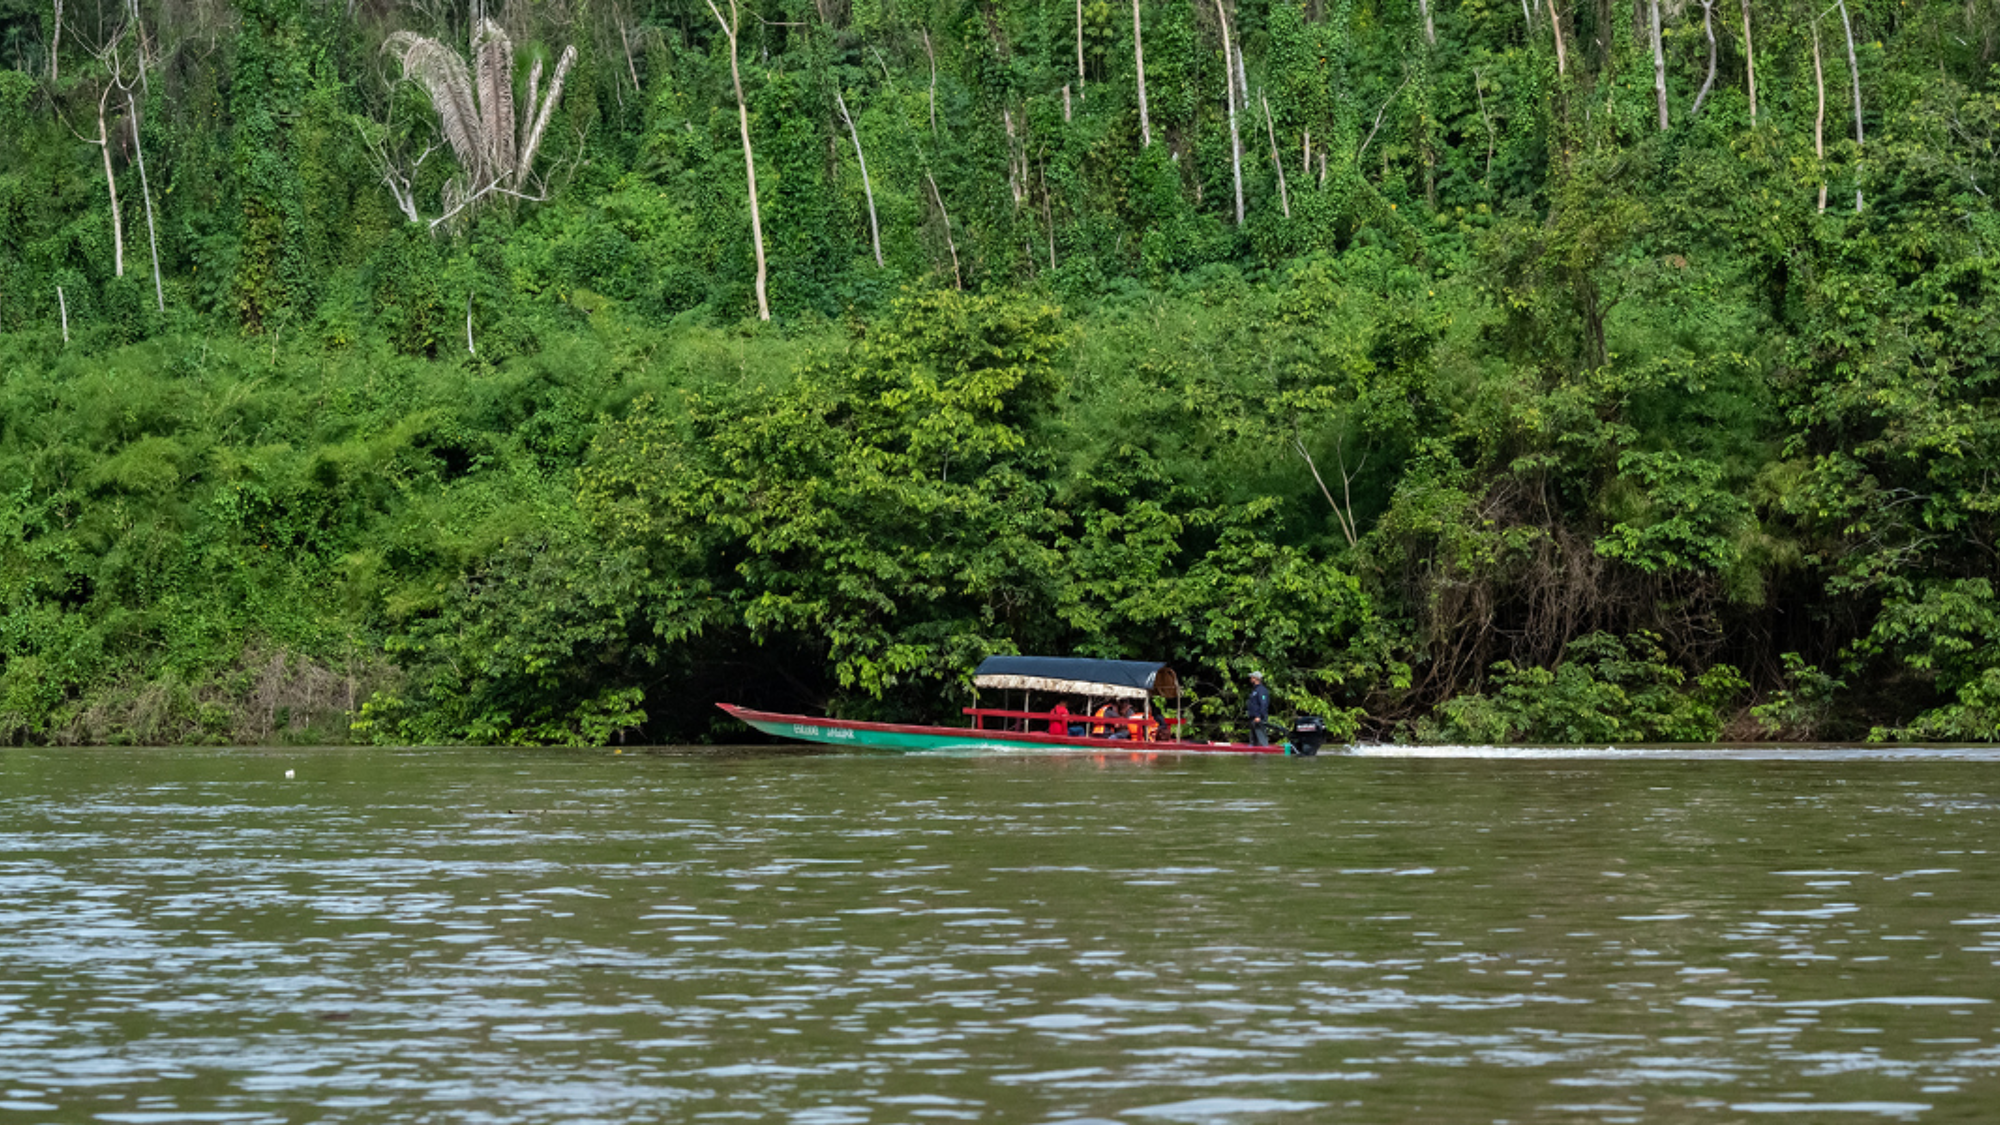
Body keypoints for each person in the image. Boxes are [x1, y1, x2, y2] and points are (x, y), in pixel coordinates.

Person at [1246, 671, 1273, 746]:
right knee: (1253, 741)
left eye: (1251, 677)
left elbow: (1264, 704)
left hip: (1259, 718)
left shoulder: (1262, 690)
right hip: (1253, 718)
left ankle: (1263, 755)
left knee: (1261, 740)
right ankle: (1254, 755)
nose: (1250, 679)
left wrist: (1259, 716)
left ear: (1256, 678)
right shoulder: (1254, 690)